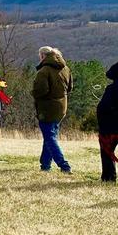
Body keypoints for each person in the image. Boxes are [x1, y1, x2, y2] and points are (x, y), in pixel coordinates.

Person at [32, 46, 73, 174]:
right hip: (62, 107)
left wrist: (33, 92)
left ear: (43, 56)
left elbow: (41, 90)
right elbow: (70, 87)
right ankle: (45, 165)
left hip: (47, 108)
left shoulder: (44, 71)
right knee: (50, 136)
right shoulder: (65, 69)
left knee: (50, 138)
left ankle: (64, 165)